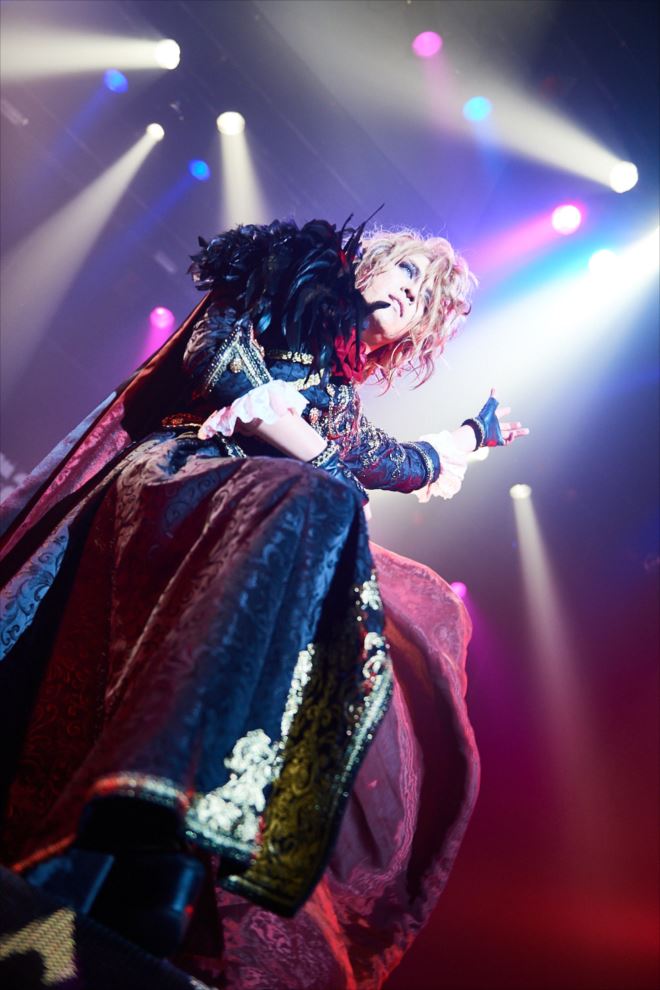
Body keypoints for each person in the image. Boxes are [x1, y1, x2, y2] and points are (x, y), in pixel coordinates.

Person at [0, 217, 527, 988]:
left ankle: (173, 834)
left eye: (422, 302)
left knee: (422, 606)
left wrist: (473, 436)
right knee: (319, 501)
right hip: (183, 472)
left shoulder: (338, 395)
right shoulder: (283, 275)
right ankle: (153, 840)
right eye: (406, 273)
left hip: (272, 514)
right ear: (365, 264)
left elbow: (388, 461)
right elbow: (220, 364)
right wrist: (318, 458)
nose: (408, 294)